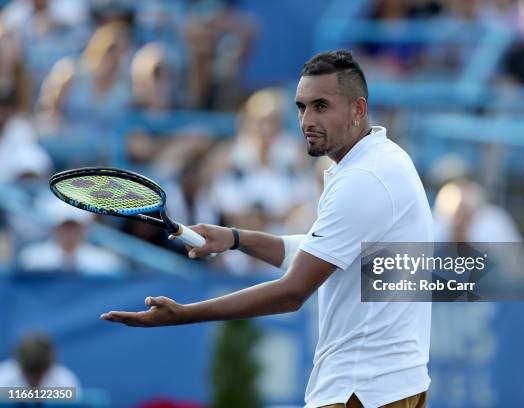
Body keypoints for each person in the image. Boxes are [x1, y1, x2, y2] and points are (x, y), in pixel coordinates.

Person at [102, 50, 433, 408]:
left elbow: (292, 292)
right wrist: (235, 238)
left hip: (360, 391)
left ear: (358, 110)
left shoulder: (362, 179)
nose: (307, 119)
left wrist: (184, 315)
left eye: (321, 106)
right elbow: (317, 250)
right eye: (301, 107)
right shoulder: (386, 158)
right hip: (394, 386)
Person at [0, 333, 81, 389]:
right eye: (29, 374)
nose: (34, 381)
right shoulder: (4, 379)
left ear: (49, 368)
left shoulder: (64, 382)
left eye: (39, 375)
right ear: (20, 365)